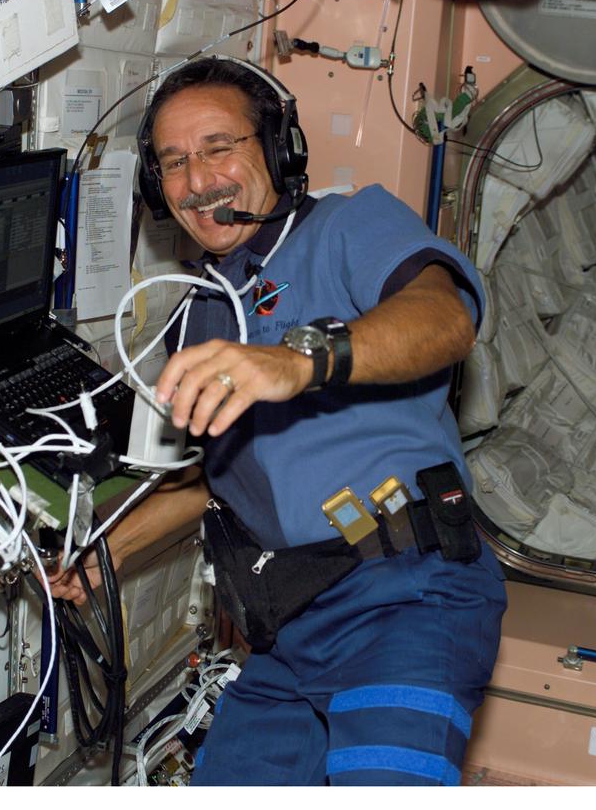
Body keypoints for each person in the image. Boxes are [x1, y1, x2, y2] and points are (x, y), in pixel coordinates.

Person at [48, 57, 506, 786]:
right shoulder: (199, 312)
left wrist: (300, 360)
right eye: (174, 162)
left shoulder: (350, 224)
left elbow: (445, 319)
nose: (198, 180)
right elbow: (217, 477)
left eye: (219, 147)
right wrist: (108, 552)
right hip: (290, 626)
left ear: (278, 150)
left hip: (407, 597)